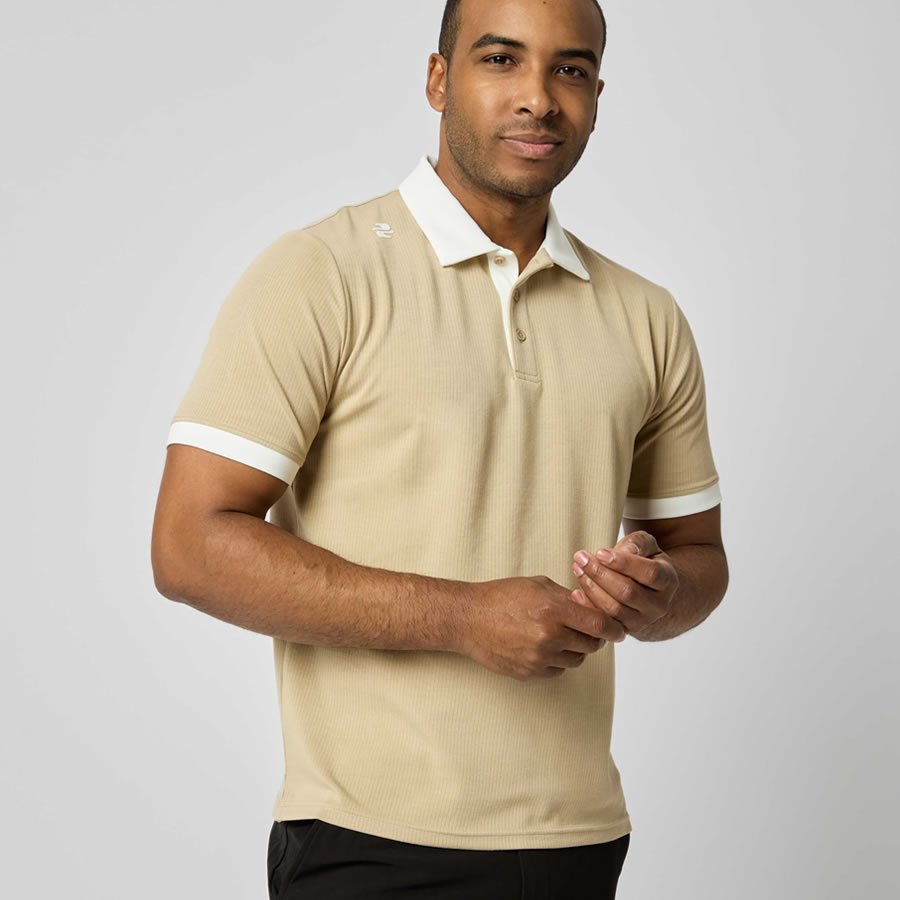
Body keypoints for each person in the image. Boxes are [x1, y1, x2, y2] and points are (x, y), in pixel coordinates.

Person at [151, 0, 729, 896]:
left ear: (597, 97)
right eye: (501, 59)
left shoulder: (646, 316)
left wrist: (658, 596)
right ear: (437, 79)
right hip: (367, 841)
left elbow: (699, 557)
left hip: (579, 841)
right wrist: (462, 617)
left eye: (570, 70)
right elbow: (188, 545)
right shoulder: (322, 273)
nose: (538, 97)